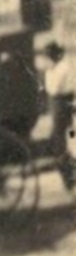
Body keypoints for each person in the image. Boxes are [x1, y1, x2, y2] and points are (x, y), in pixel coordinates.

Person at [43, 41, 75, 190]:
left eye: (48, 57)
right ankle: (69, 173)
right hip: (60, 104)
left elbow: (53, 89)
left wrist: (48, 72)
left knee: (58, 141)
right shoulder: (61, 67)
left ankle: (69, 176)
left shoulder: (61, 68)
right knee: (60, 140)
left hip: (61, 104)